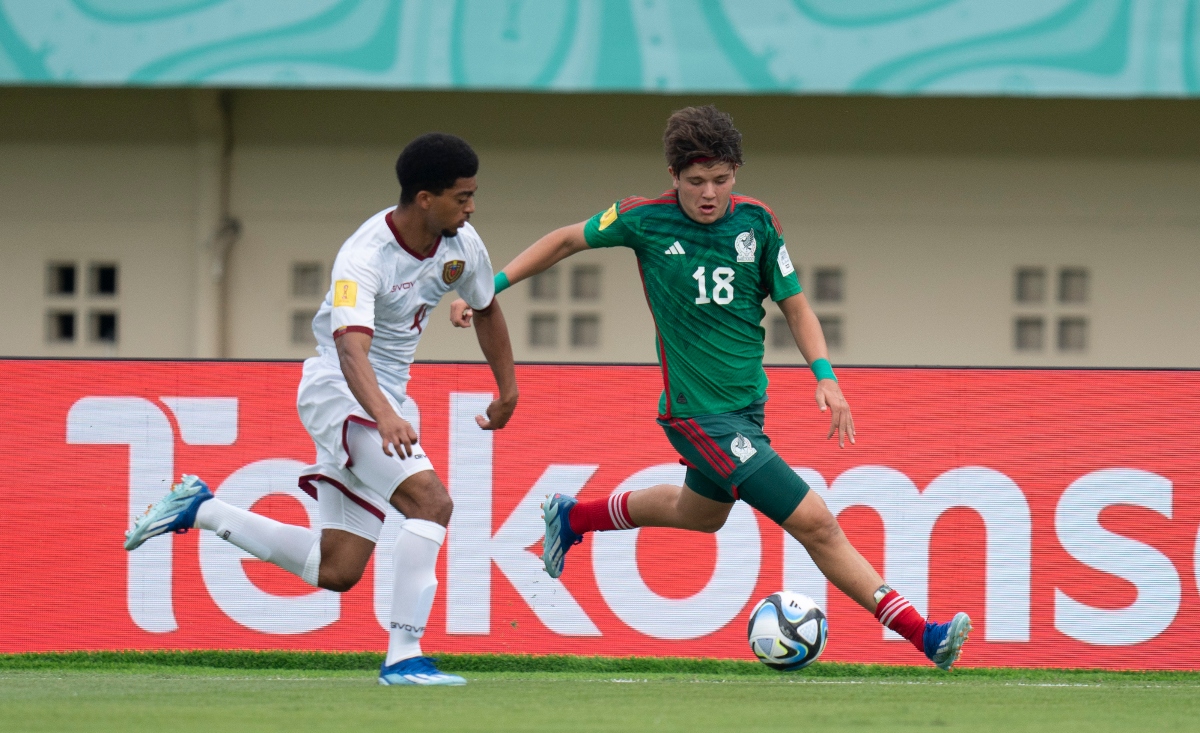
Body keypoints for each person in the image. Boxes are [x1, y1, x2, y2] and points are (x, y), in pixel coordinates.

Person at [450, 106, 970, 669]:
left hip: (746, 412)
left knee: (700, 514)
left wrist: (827, 377)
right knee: (816, 522)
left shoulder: (758, 223)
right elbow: (564, 242)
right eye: (696, 181)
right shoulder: (641, 219)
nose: (708, 193)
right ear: (673, 176)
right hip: (697, 415)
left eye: (721, 180)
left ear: (736, 175)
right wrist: (488, 288)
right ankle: (925, 636)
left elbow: (796, 307)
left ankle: (573, 518)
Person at [126, 133, 518, 686]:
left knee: (336, 569)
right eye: (462, 196)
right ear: (425, 198)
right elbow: (349, 348)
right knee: (431, 502)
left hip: (387, 399)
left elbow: (486, 308)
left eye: (474, 195)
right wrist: (383, 414)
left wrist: (508, 389)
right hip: (340, 391)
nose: (472, 206)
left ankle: (201, 509)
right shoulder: (365, 255)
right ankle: (405, 656)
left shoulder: (462, 243)